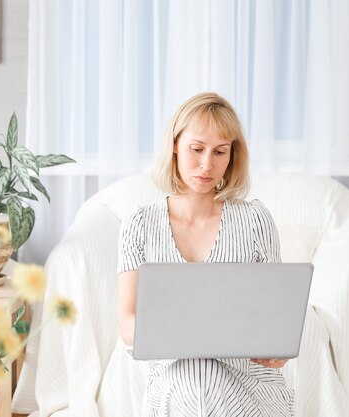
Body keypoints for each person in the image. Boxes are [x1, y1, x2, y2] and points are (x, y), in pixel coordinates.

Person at [117, 92, 294, 417]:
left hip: (248, 383)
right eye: (196, 149)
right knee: (196, 376)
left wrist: (278, 349)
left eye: (220, 152)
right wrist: (183, 335)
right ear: (175, 145)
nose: (206, 164)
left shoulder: (255, 220)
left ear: (232, 156)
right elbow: (127, 323)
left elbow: (276, 316)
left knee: (202, 382)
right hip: (174, 382)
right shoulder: (139, 224)